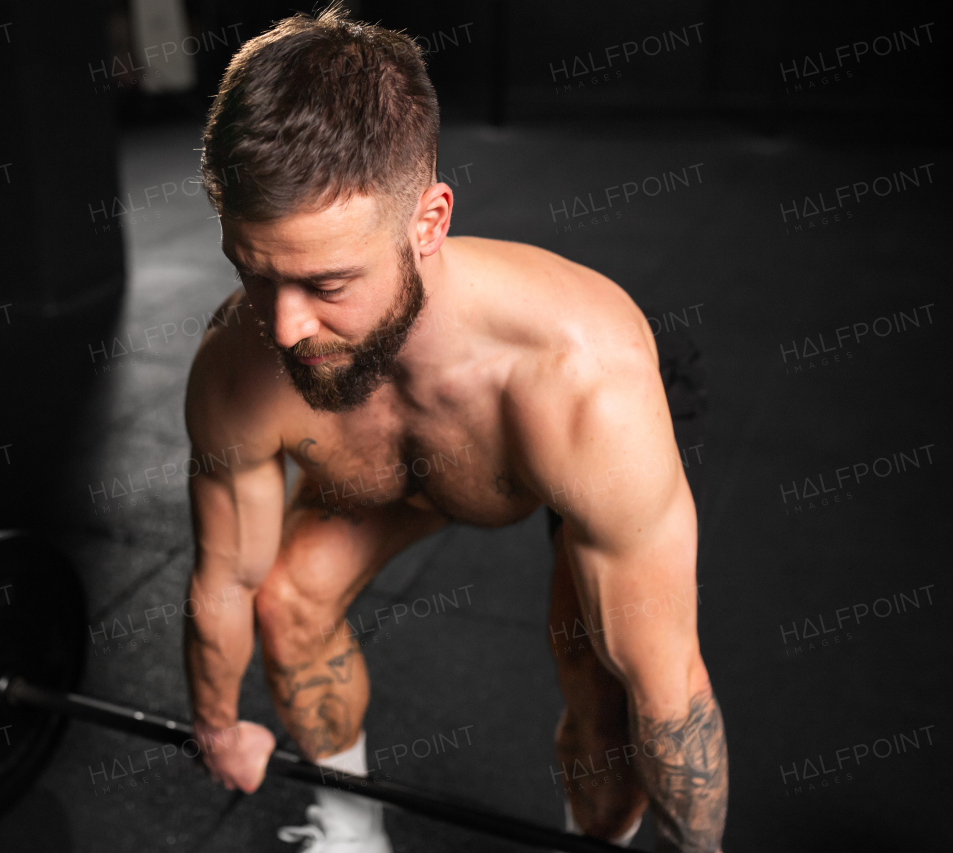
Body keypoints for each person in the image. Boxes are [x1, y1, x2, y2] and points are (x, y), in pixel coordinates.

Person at [182, 6, 726, 852]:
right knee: (287, 598)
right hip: (393, 457)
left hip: (531, 436)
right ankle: (354, 830)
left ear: (428, 222)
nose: (285, 327)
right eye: (255, 274)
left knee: (605, 687)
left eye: (326, 283)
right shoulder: (239, 362)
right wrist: (218, 725)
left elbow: (671, 690)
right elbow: (225, 576)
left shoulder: (584, 378)